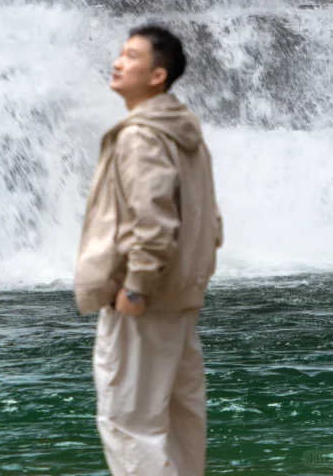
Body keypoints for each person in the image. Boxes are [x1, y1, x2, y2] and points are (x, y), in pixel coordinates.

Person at [75, 24, 223, 476]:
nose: (118, 63)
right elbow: (210, 221)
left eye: (131, 56)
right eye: (120, 54)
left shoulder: (141, 135)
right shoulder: (183, 130)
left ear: (157, 75)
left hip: (146, 298)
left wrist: (136, 287)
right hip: (180, 296)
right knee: (180, 422)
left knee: (129, 423)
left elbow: (153, 222)